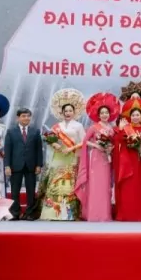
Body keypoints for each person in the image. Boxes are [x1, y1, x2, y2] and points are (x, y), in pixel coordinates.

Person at [42, 89, 86, 220]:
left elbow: (83, 142)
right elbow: (50, 139)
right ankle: (52, 213)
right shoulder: (56, 126)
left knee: (69, 184)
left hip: (72, 156)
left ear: (74, 112)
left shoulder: (78, 126)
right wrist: (53, 144)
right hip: (58, 157)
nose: (68, 113)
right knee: (55, 183)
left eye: (70, 111)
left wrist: (70, 148)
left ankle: (70, 214)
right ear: (62, 112)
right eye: (65, 111)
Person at [77, 93, 117, 222]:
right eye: (102, 113)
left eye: (106, 113)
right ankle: (93, 214)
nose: (105, 115)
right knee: (95, 185)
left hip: (107, 158)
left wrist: (109, 148)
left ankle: (105, 214)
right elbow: (85, 142)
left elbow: (114, 143)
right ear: (98, 115)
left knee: (105, 186)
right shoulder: (94, 127)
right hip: (95, 157)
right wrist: (96, 145)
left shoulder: (112, 128)